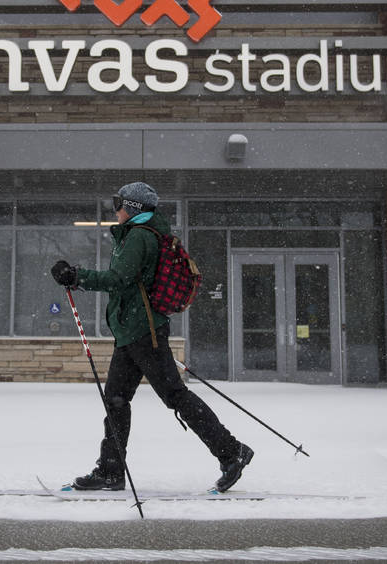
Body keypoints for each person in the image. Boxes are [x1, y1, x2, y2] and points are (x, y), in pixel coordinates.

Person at [50, 181, 253, 492]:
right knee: (116, 401)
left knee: (174, 396)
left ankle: (231, 451)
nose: (115, 208)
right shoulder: (139, 235)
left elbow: (119, 279)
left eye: (118, 202)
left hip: (145, 333)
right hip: (131, 332)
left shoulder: (140, 237)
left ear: (131, 208)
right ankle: (110, 471)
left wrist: (78, 277)